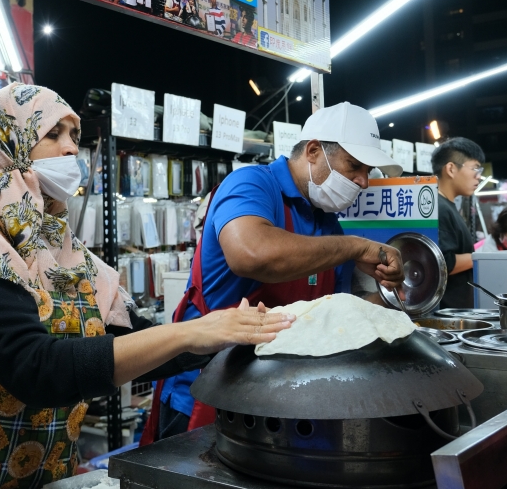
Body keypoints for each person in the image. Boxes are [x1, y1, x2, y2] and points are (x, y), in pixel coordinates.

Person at [0, 84, 294, 489]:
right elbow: (35, 369)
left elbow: (141, 341)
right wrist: (191, 332)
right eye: (54, 132)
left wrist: (236, 334)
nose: (73, 147)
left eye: (75, 133)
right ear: (5, 140)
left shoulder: (66, 254)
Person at [144, 102, 406, 444]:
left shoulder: (328, 225)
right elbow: (252, 255)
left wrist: (392, 295)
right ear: (313, 151)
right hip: (209, 389)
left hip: (280, 396)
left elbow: (337, 311)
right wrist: (356, 246)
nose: (363, 181)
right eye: (354, 165)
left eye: (367, 170)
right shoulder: (252, 184)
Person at [431, 137, 485, 309]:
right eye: (475, 168)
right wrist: (482, 257)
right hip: (448, 313)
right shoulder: (440, 208)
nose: (479, 176)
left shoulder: (447, 205)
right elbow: (444, 263)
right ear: (451, 169)